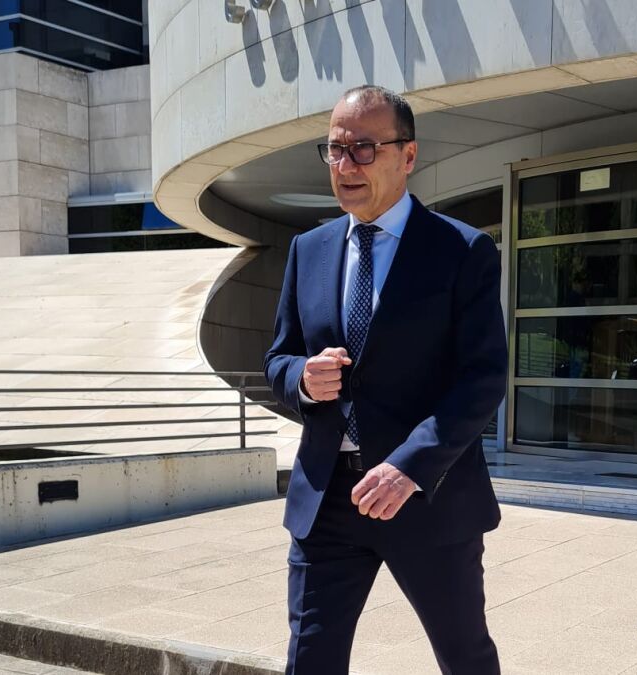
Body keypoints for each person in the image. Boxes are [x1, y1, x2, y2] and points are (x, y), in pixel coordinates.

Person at [264, 85, 506, 674]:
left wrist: (410, 466)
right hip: (327, 498)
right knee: (310, 662)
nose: (345, 165)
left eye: (364, 149)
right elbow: (277, 359)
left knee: (465, 658)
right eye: (335, 149)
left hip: (427, 498)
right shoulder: (308, 249)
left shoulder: (462, 249)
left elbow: (482, 379)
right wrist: (302, 378)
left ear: (409, 154)